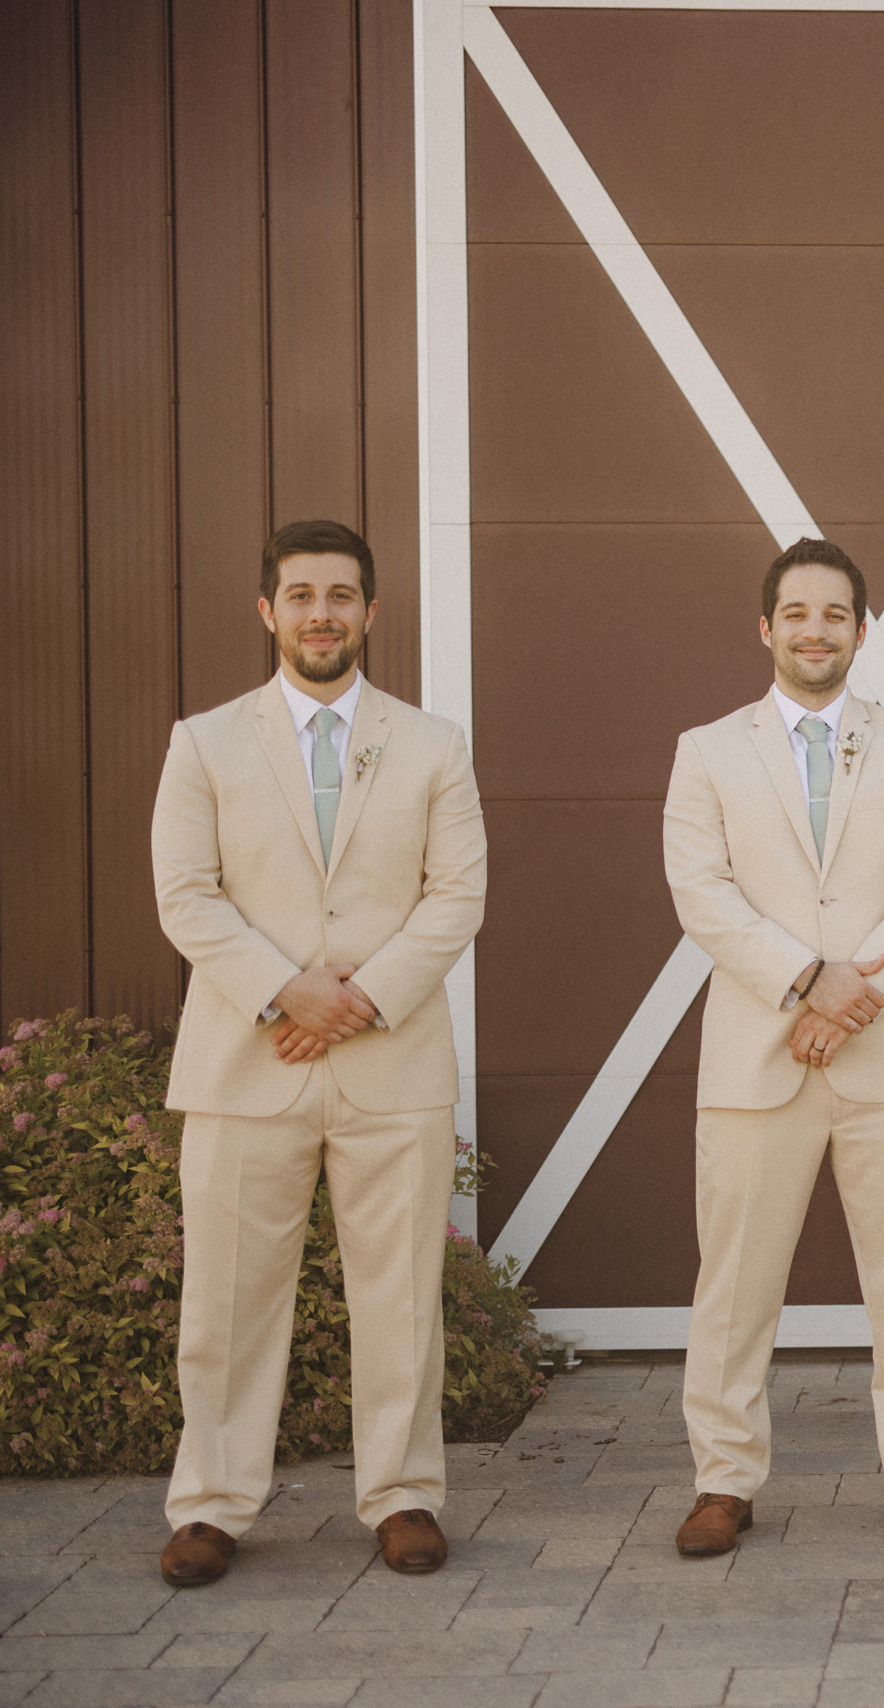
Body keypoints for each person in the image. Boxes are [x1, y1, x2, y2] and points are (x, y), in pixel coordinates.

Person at [150, 520, 487, 1587]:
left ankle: (402, 1496)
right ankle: (211, 1503)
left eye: (341, 595)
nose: (322, 613)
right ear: (268, 610)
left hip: (393, 1066)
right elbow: (186, 896)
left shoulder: (434, 743)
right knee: (227, 1300)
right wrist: (284, 991)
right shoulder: (202, 742)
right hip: (247, 1066)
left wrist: (358, 999)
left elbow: (457, 895)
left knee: (398, 1297)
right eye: (301, 595)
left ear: (371, 612)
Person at [661, 537, 884, 1556]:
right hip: (756, 1057)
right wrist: (807, 979)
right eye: (796, 613)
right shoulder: (707, 750)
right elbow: (700, 891)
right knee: (735, 1283)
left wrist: (852, 996)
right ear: (766, 627)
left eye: (835, 613)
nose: (815, 629)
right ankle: (724, 1478)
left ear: (861, 628)